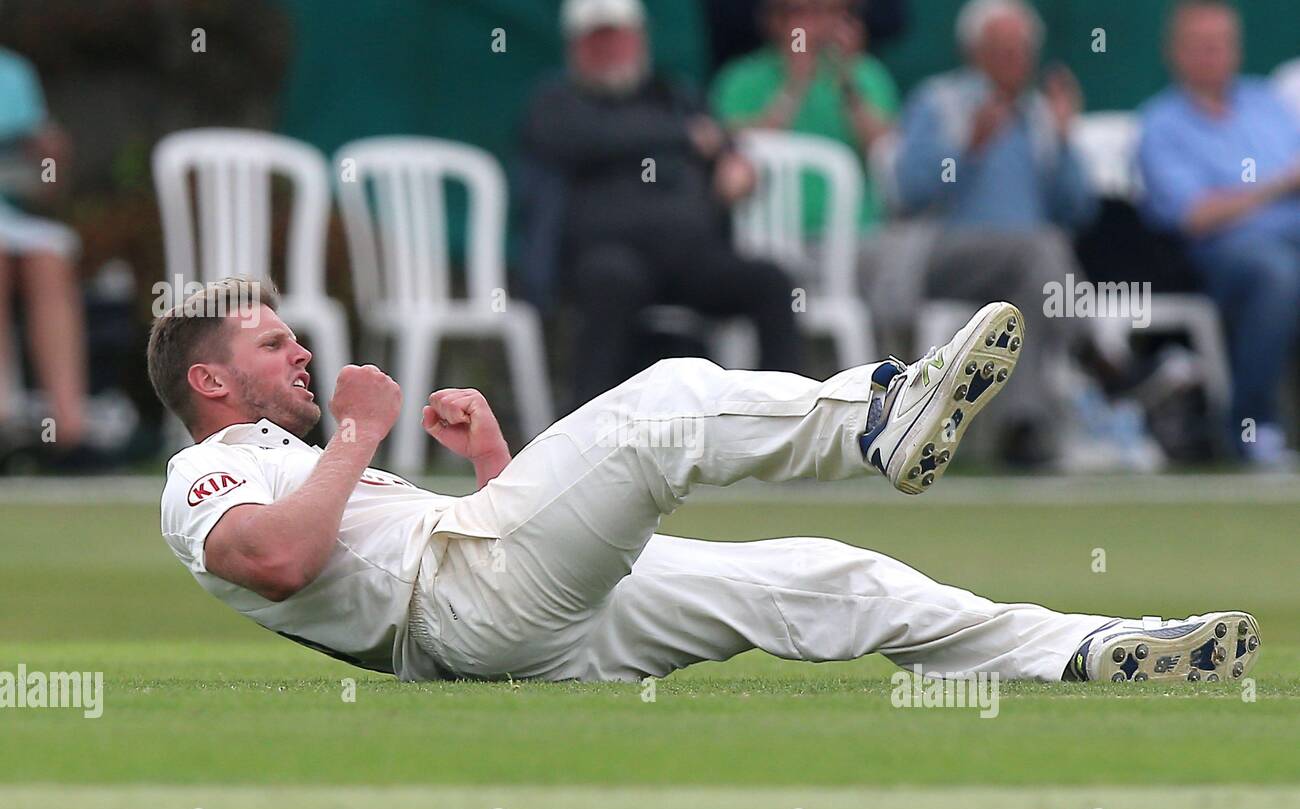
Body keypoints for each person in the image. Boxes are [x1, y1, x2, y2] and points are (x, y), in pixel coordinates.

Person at [152, 275, 1261, 686]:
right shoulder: (205, 472)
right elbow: (282, 558)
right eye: (270, 345)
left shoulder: (289, 457)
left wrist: (492, 462)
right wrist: (360, 429)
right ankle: (876, 418)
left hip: (511, 623)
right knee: (670, 400)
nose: (298, 351)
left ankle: (1087, 649)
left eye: (294, 338)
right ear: (208, 379)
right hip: (462, 611)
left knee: (830, 579)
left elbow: (474, 541)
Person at [522, 0, 802, 409]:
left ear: (639, 40)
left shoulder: (675, 96)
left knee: (770, 280)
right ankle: (584, 431)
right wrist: (686, 137)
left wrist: (733, 167)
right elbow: (589, 138)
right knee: (612, 280)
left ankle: (783, 421)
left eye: (618, 38)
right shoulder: (557, 102)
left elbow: (725, 148)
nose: (611, 50)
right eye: (598, 41)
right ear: (576, 47)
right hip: (605, 260)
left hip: (691, 258)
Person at [884, 0, 1098, 465]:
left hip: (1028, 268)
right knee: (1043, 249)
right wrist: (966, 149)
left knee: (1036, 271)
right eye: (1002, 50)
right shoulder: (939, 101)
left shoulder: (1041, 115)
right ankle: (1097, 352)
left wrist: (1064, 142)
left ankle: (1023, 429)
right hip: (942, 257)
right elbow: (908, 192)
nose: (1014, 62)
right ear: (974, 52)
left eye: (1022, 51)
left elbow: (1079, 208)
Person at [1138, 0, 1300, 466]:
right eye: (1201, 46)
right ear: (1176, 53)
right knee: (1277, 274)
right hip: (1220, 254)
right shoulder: (1162, 124)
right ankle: (1252, 427)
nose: (1213, 55)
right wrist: (1276, 186)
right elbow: (1194, 215)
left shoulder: (1268, 104)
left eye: (1222, 44)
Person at [712, 0, 901, 236]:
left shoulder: (867, 74)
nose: (816, 24)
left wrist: (848, 81)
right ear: (773, 20)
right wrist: (794, 85)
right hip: (779, 240)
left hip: (861, 234)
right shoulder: (741, 79)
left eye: (829, 12)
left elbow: (886, 153)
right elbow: (739, 153)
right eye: (801, 12)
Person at [0, 44, 90, 460]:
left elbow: (46, 184)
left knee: (49, 262)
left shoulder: (13, 71)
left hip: (13, 215)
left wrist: (49, 157)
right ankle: (4, 418)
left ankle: (69, 430)